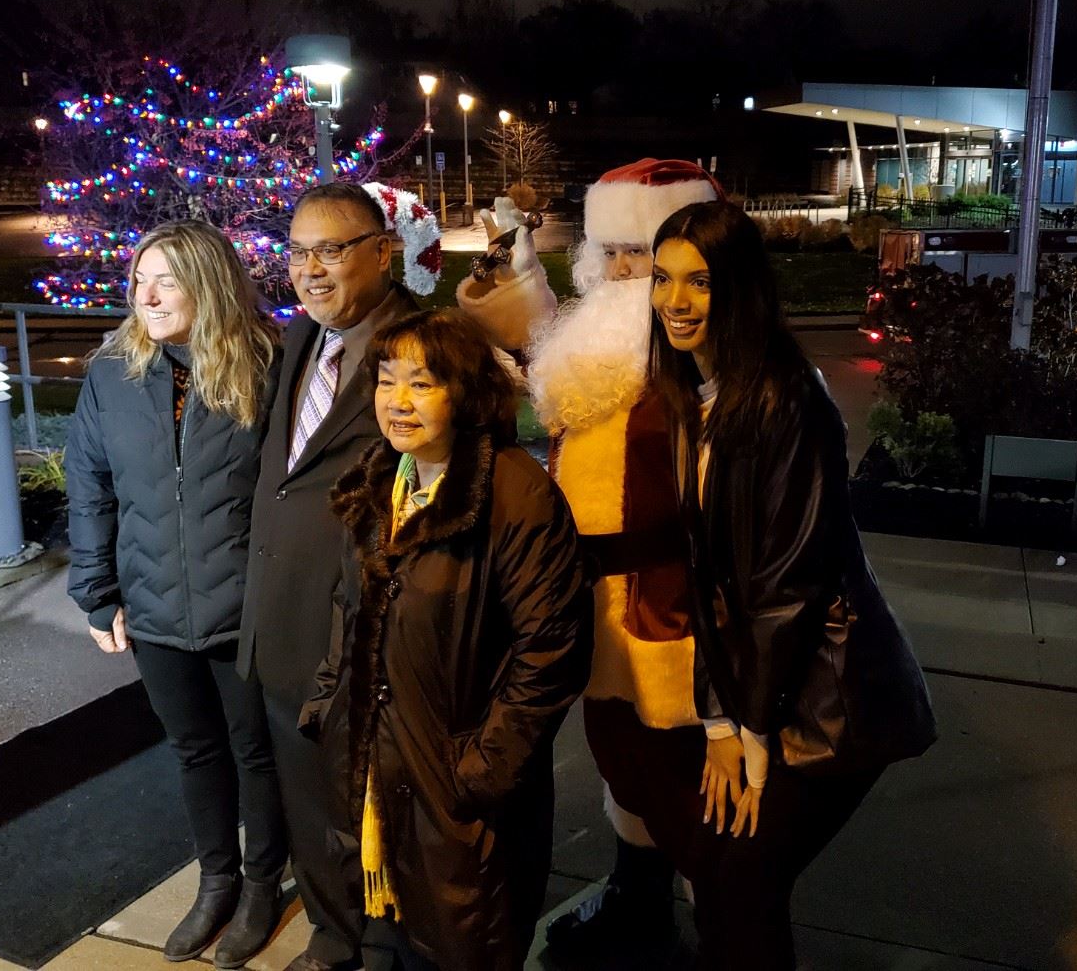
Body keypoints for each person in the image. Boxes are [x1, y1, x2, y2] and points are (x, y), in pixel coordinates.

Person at [645, 201, 937, 970]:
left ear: (739, 288)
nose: (675, 301)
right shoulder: (691, 395)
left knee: (738, 881)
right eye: (662, 278)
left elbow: (788, 585)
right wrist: (715, 721)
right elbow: (711, 579)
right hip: (762, 687)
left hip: (828, 695)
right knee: (725, 879)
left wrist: (749, 730)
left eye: (699, 283)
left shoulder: (782, 396)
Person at [457, 159, 723, 954]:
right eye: (609, 252)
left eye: (638, 255)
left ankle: (715, 924)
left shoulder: (707, 365)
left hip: (670, 611)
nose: (619, 272)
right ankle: (637, 903)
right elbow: (566, 359)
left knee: (681, 779)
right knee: (622, 764)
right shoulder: (609, 341)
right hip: (594, 605)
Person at [302, 309, 592, 970]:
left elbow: (550, 652)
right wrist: (328, 703)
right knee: (406, 930)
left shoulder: (515, 496)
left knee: (467, 944)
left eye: (422, 383)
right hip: (382, 766)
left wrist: (481, 771)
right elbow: (350, 607)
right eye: (386, 379)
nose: (397, 402)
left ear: (464, 391)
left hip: (458, 788)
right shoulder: (384, 478)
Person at [66, 220, 287, 967]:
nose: (148, 295)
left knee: (255, 752)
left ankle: (262, 886)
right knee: (195, 751)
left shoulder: (268, 364)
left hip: (248, 609)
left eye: (167, 279)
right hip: (154, 607)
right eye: (139, 279)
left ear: (211, 283)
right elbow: (90, 487)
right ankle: (216, 881)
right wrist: (97, 592)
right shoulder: (113, 373)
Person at [237, 183, 428, 971]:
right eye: (297, 252)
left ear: (382, 252)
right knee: (305, 789)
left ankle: (387, 936)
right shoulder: (296, 340)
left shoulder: (421, 345)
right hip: (280, 614)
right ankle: (331, 929)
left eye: (331, 250)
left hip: (364, 621)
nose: (310, 270)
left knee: (375, 791)